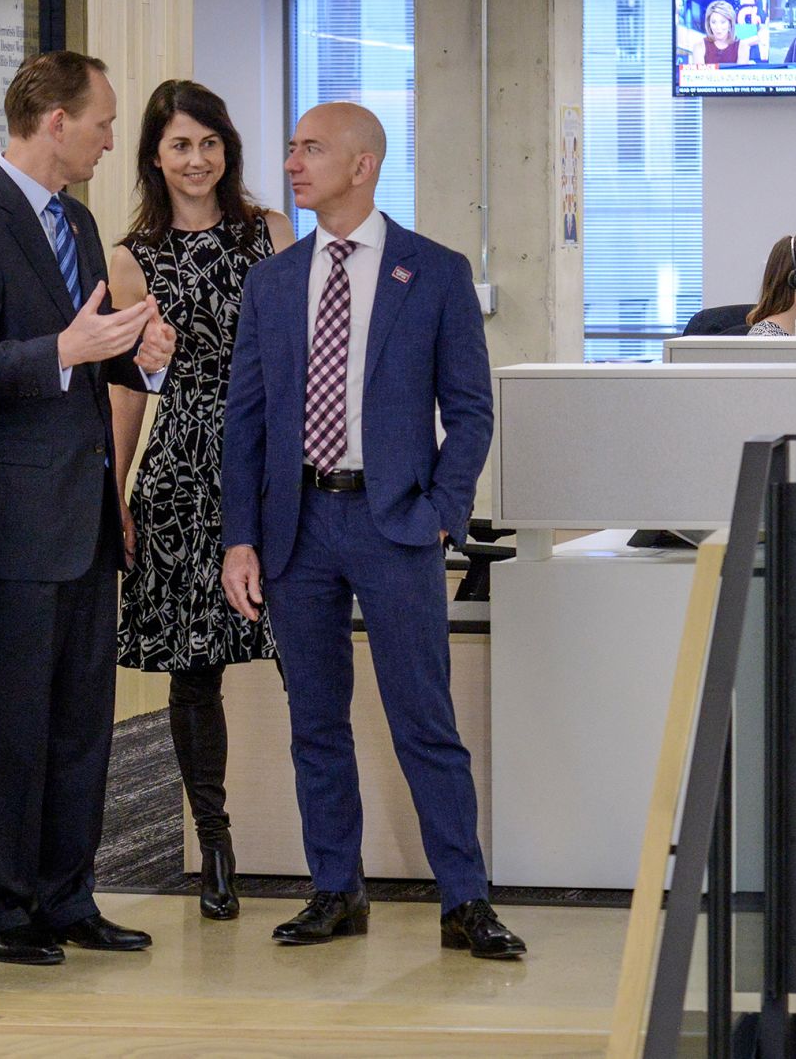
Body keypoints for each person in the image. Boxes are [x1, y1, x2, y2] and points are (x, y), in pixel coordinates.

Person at [220, 102, 526, 960]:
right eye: (290, 148)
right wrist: (238, 537)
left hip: (395, 523)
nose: (292, 163)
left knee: (423, 717)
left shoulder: (433, 272)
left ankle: (465, 898)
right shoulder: (274, 281)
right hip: (296, 525)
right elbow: (245, 419)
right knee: (314, 718)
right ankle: (335, 888)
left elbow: (469, 409)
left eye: (311, 149)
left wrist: (442, 513)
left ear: (363, 165)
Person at [0, 50, 175, 967]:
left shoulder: (76, 216)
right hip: (11, 526)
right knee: (8, 727)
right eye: (103, 121)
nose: (115, 138)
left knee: (79, 726)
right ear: (55, 120)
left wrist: (138, 354)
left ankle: (68, 896)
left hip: (85, 518)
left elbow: (85, 355)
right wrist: (64, 349)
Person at [109, 80, 296, 922]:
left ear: (229, 149)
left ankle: (328, 842)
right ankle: (212, 842)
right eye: (180, 145)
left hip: (271, 462)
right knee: (195, 671)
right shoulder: (130, 257)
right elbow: (127, 392)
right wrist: (112, 491)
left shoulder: (272, 236)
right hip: (181, 468)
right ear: (155, 153)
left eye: (209, 143)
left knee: (306, 653)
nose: (196, 159)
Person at [689, 0, 766, 66]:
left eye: (723, 22)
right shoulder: (699, 47)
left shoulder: (742, 47)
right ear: (709, 24)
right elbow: (699, 80)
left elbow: (740, 79)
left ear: (730, 23)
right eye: (713, 22)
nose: (718, 28)